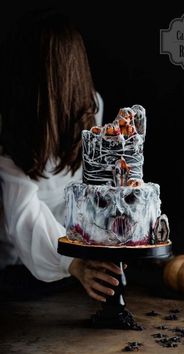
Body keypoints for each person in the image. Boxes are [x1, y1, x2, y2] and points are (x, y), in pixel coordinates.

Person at [0, 9, 122, 302]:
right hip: (12, 268)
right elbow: (23, 213)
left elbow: (89, 189)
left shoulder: (91, 107)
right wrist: (74, 261)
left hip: (68, 264)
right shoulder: (10, 126)